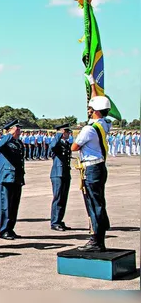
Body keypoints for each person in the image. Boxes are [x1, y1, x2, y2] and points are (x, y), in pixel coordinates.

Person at [71, 77, 112, 251]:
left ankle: (96, 240)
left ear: (95, 111)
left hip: (91, 169)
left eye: (90, 108)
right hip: (100, 167)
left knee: (94, 204)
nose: (88, 110)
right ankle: (99, 236)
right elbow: (96, 102)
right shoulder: (104, 124)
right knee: (99, 202)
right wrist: (93, 85)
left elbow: (74, 147)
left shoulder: (88, 129)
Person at [0, 119, 25, 240]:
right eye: (16, 128)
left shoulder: (19, 143)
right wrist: (8, 134)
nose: (19, 130)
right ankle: (4, 230)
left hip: (17, 178)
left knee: (14, 206)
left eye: (19, 128)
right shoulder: (4, 140)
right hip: (6, 178)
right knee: (6, 206)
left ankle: (10, 228)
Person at [49, 123, 73, 231]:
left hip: (65, 173)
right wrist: (58, 134)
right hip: (57, 173)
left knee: (63, 198)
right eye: (67, 131)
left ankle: (59, 220)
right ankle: (54, 222)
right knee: (58, 198)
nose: (69, 133)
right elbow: (52, 147)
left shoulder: (66, 144)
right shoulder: (56, 142)